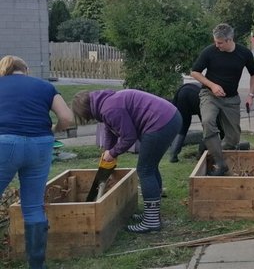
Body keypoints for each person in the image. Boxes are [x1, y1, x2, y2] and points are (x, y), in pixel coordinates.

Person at [72, 89, 182, 233]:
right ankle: (152, 214)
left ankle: (151, 221)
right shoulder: (106, 103)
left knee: (145, 170)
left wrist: (113, 152)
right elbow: (110, 128)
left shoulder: (110, 109)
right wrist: (107, 150)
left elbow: (129, 137)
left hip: (161, 122)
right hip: (169, 117)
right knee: (150, 167)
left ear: (87, 111)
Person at [0, 55, 74, 268]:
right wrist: (54, 130)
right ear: (25, 69)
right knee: (33, 207)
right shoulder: (44, 86)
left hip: (4, 143)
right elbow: (68, 119)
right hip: (40, 144)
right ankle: (37, 265)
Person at [191, 23, 254, 176]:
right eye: (215, 41)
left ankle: (210, 147)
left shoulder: (244, 53)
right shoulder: (209, 51)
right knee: (208, 121)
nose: (217, 45)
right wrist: (212, 85)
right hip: (209, 95)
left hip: (231, 99)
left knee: (233, 138)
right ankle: (221, 164)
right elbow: (195, 72)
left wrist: (251, 95)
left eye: (220, 43)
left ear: (229, 40)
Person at [169, 82, 226, 163]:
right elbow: (220, 130)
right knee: (208, 128)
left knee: (183, 127)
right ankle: (201, 154)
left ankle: (173, 156)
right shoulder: (220, 107)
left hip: (185, 91)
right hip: (199, 96)